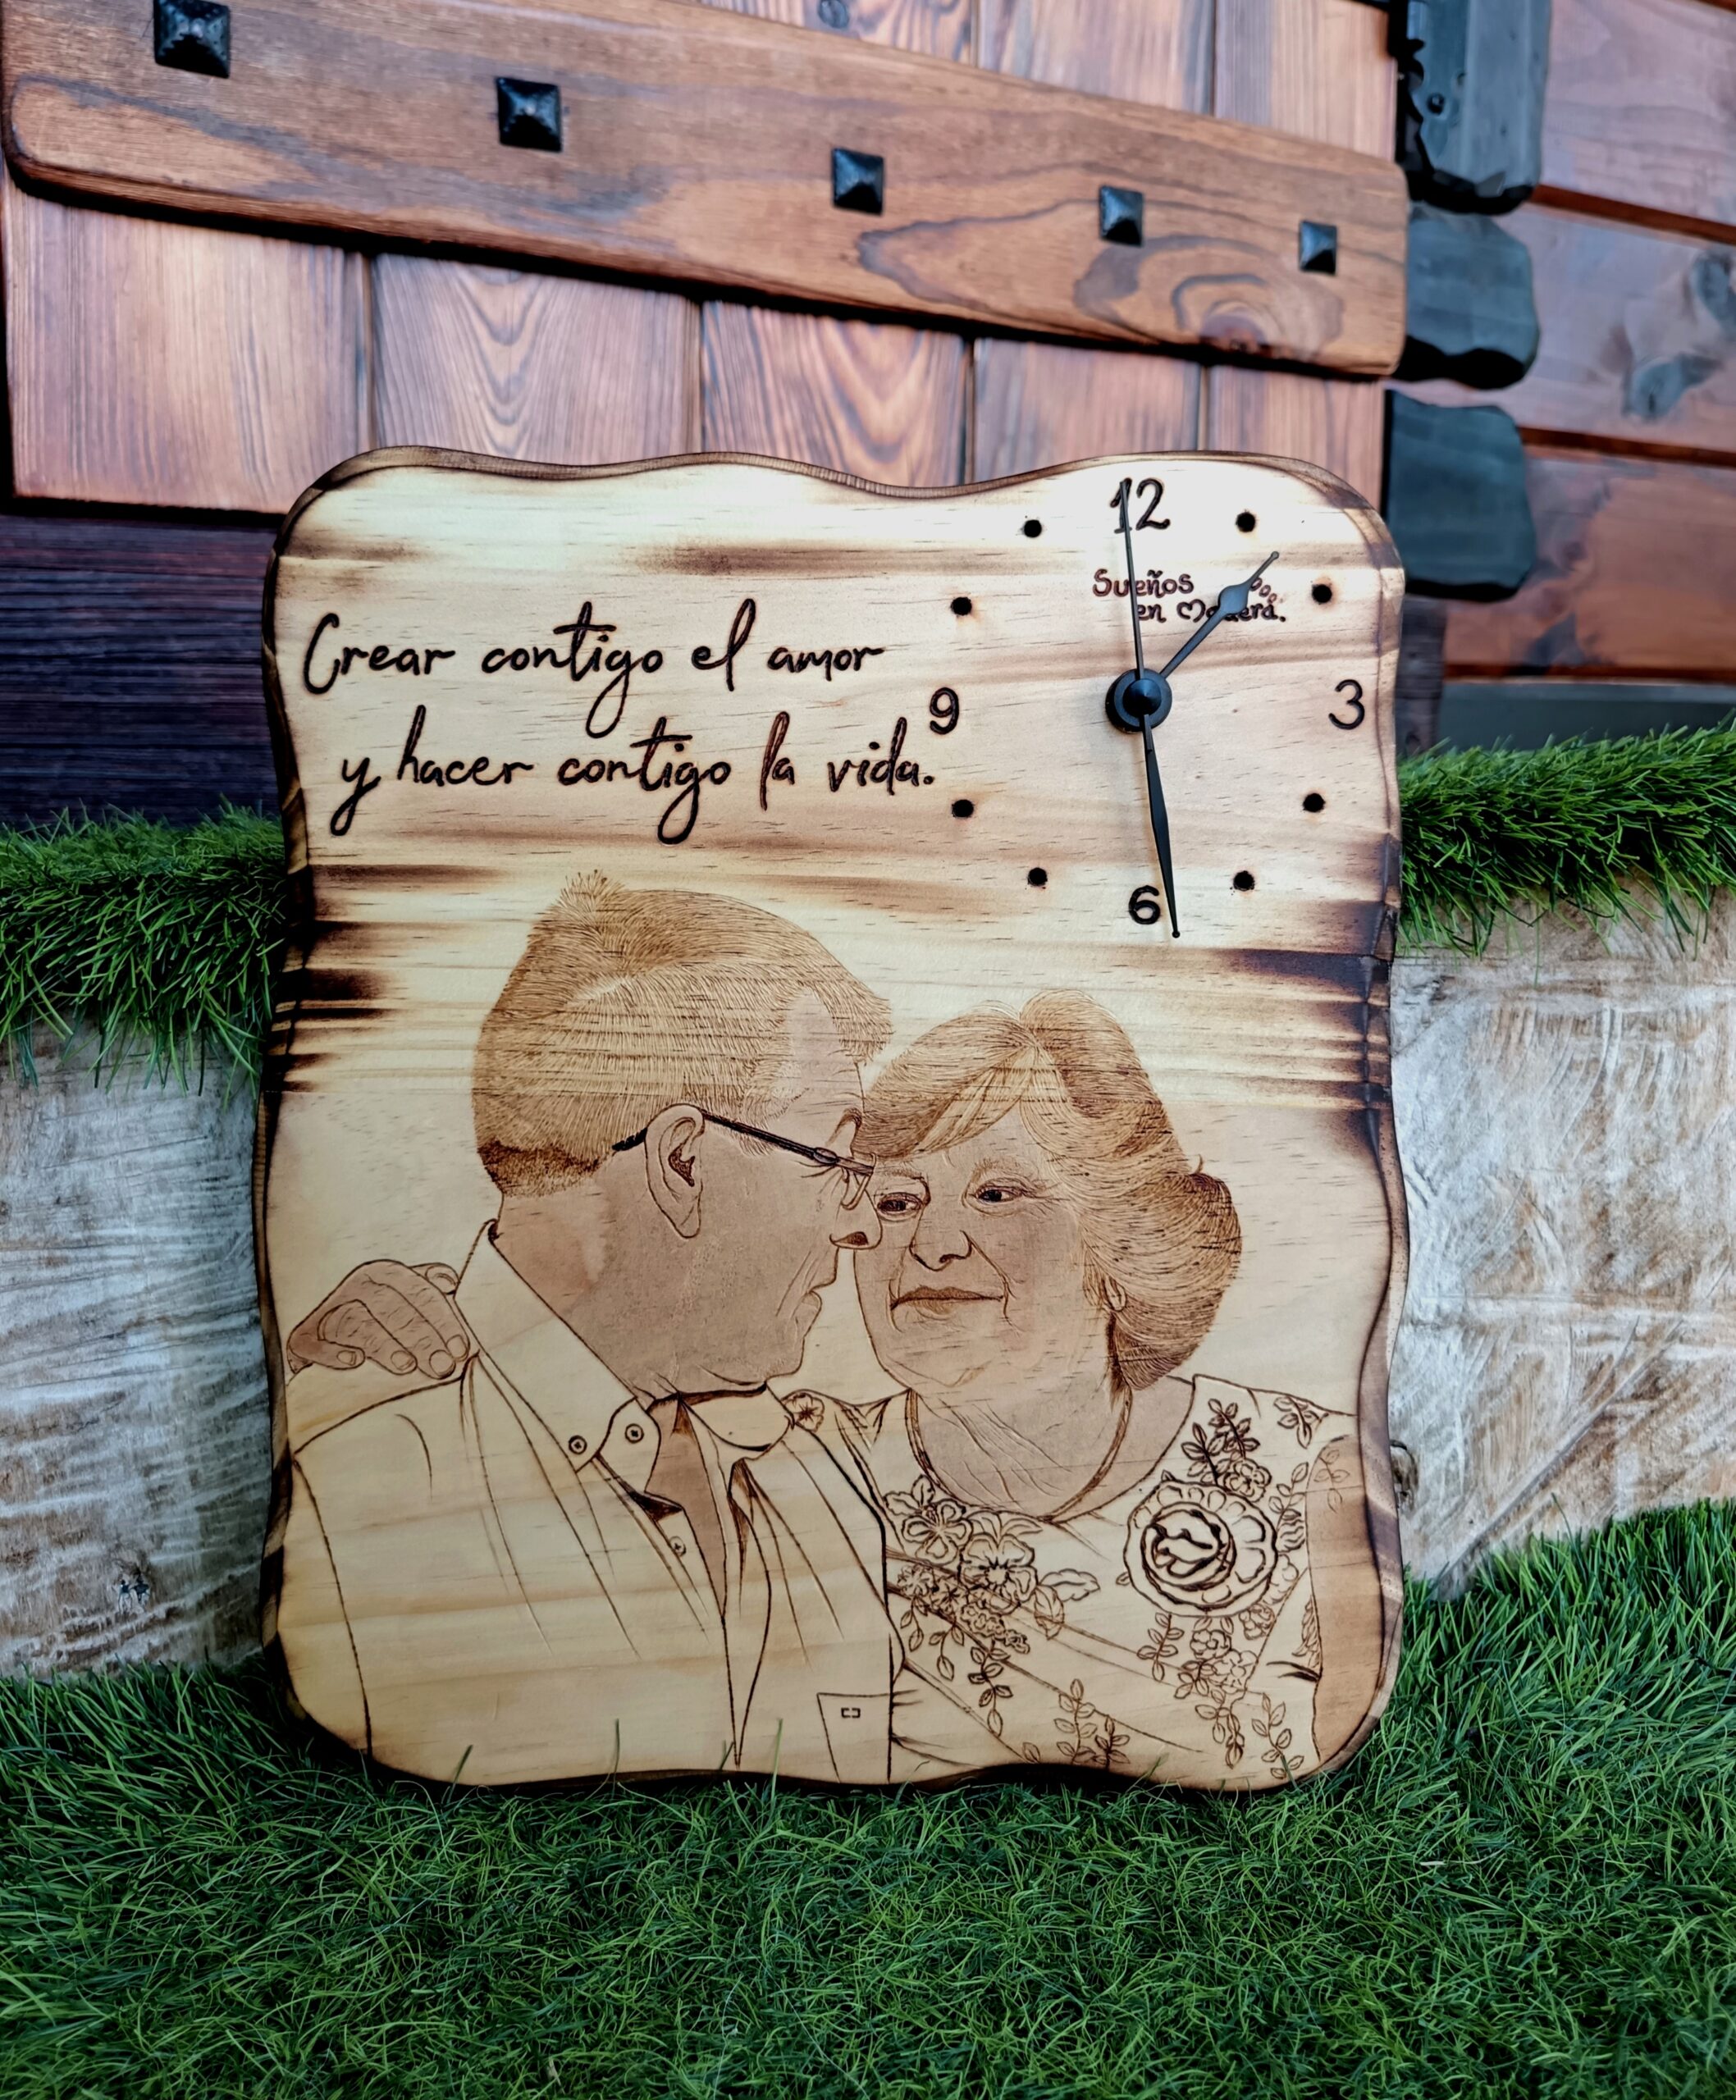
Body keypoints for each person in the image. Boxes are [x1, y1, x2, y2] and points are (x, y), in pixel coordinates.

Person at [272, 871, 911, 1787]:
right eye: (830, 1155)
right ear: (682, 1163)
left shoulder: (822, 1474)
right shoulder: (353, 1475)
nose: (859, 1222)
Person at [784, 992, 1382, 1783]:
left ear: (1121, 1247)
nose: (932, 1243)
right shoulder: (799, 1468)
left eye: (997, 1195)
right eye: (897, 1201)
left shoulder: (1305, 1475)